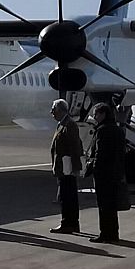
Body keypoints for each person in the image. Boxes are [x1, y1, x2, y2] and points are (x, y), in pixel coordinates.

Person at [86, 103, 126, 243]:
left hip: (104, 173)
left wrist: (93, 168)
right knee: (112, 206)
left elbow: (100, 154)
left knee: (103, 205)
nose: (95, 116)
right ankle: (113, 233)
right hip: (116, 172)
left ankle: (105, 233)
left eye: (96, 114)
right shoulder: (118, 130)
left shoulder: (102, 131)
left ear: (103, 114)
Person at [49, 99, 83, 234]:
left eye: (54, 109)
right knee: (66, 196)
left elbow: (75, 147)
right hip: (63, 168)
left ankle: (68, 223)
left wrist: (75, 168)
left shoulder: (69, 125)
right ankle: (70, 223)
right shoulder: (62, 124)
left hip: (67, 169)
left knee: (68, 197)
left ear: (61, 110)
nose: (52, 112)